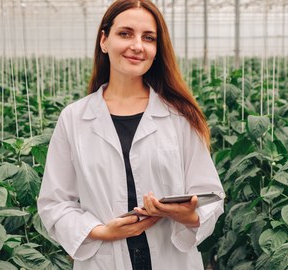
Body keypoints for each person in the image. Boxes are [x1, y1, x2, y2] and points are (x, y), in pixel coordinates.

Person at [37, 0, 224, 269]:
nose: (137, 46)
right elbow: (55, 203)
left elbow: (210, 196)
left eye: (148, 38)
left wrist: (188, 216)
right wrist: (103, 232)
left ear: (157, 49)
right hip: (105, 259)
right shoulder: (74, 118)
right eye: (125, 34)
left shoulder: (179, 116)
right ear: (104, 40)